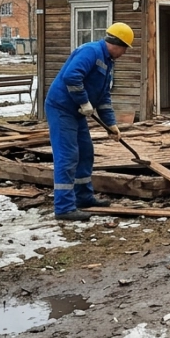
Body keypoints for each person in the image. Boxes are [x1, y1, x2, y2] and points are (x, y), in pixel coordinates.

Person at [44, 22, 134, 221]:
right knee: (67, 156)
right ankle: (64, 208)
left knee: (85, 153)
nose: (125, 53)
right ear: (117, 44)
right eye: (125, 48)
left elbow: (103, 97)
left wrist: (111, 124)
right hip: (61, 108)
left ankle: (83, 197)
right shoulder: (91, 52)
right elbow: (71, 77)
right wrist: (84, 101)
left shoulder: (108, 61)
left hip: (77, 111)